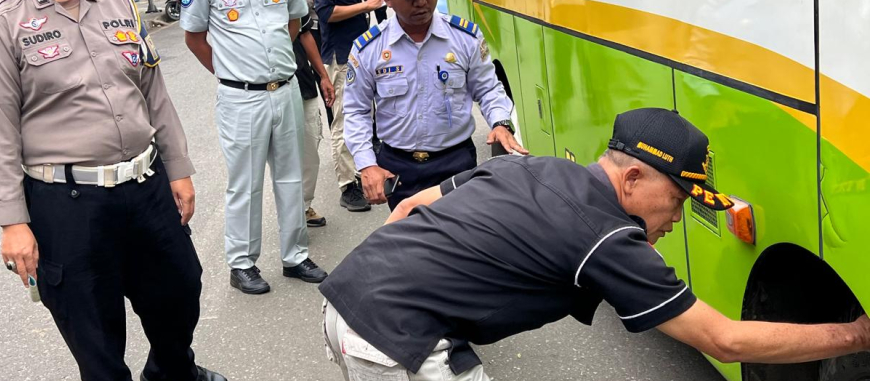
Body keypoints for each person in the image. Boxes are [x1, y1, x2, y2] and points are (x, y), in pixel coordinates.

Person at [320, 108, 870, 380]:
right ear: (632, 181)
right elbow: (724, 341)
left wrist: (394, 288)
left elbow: (410, 207)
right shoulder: (607, 237)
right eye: (678, 200)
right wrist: (858, 333)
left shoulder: (530, 166)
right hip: (393, 341)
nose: (677, 219)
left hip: (346, 296)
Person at [0, 0, 225, 379]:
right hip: (67, 204)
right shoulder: (4, 22)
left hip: (147, 185)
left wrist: (178, 167)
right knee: (93, 330)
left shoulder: (118, 1)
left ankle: (172, 372)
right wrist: (13, 221)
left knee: (180, 289)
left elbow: (152, 89)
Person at [180, 0, 328, 295]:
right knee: (245, 183)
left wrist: (270, 65)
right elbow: (194, 38)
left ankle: (295, 256)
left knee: (291, 177)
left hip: (285, 89)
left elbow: (293, 20)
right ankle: (242, 264)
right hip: (241, 97)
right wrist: (230, 71)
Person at [344, 0, 526, 211]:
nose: (421, 1)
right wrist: (367, 164)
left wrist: (501, 123)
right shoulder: (369, 49)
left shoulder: (464, 37)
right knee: (410, 243)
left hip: (456, 164)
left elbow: (488, 89)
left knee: (463, 240)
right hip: (400, 169)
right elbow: (356, 111)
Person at [312, 0, 385, 212]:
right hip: (341, 56)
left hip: (359, 52)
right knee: (344, 121)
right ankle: (347, 186)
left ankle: (359, 172)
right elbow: (326, 12)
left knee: (364, 117)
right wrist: (365, 6)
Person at [294, 13, 336, 227]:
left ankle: (303, 206)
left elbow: (305, 33)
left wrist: (323, 75)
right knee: (281, 162)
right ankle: (290, 217)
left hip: (302, 81)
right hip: (260, 93)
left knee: (310, 153)